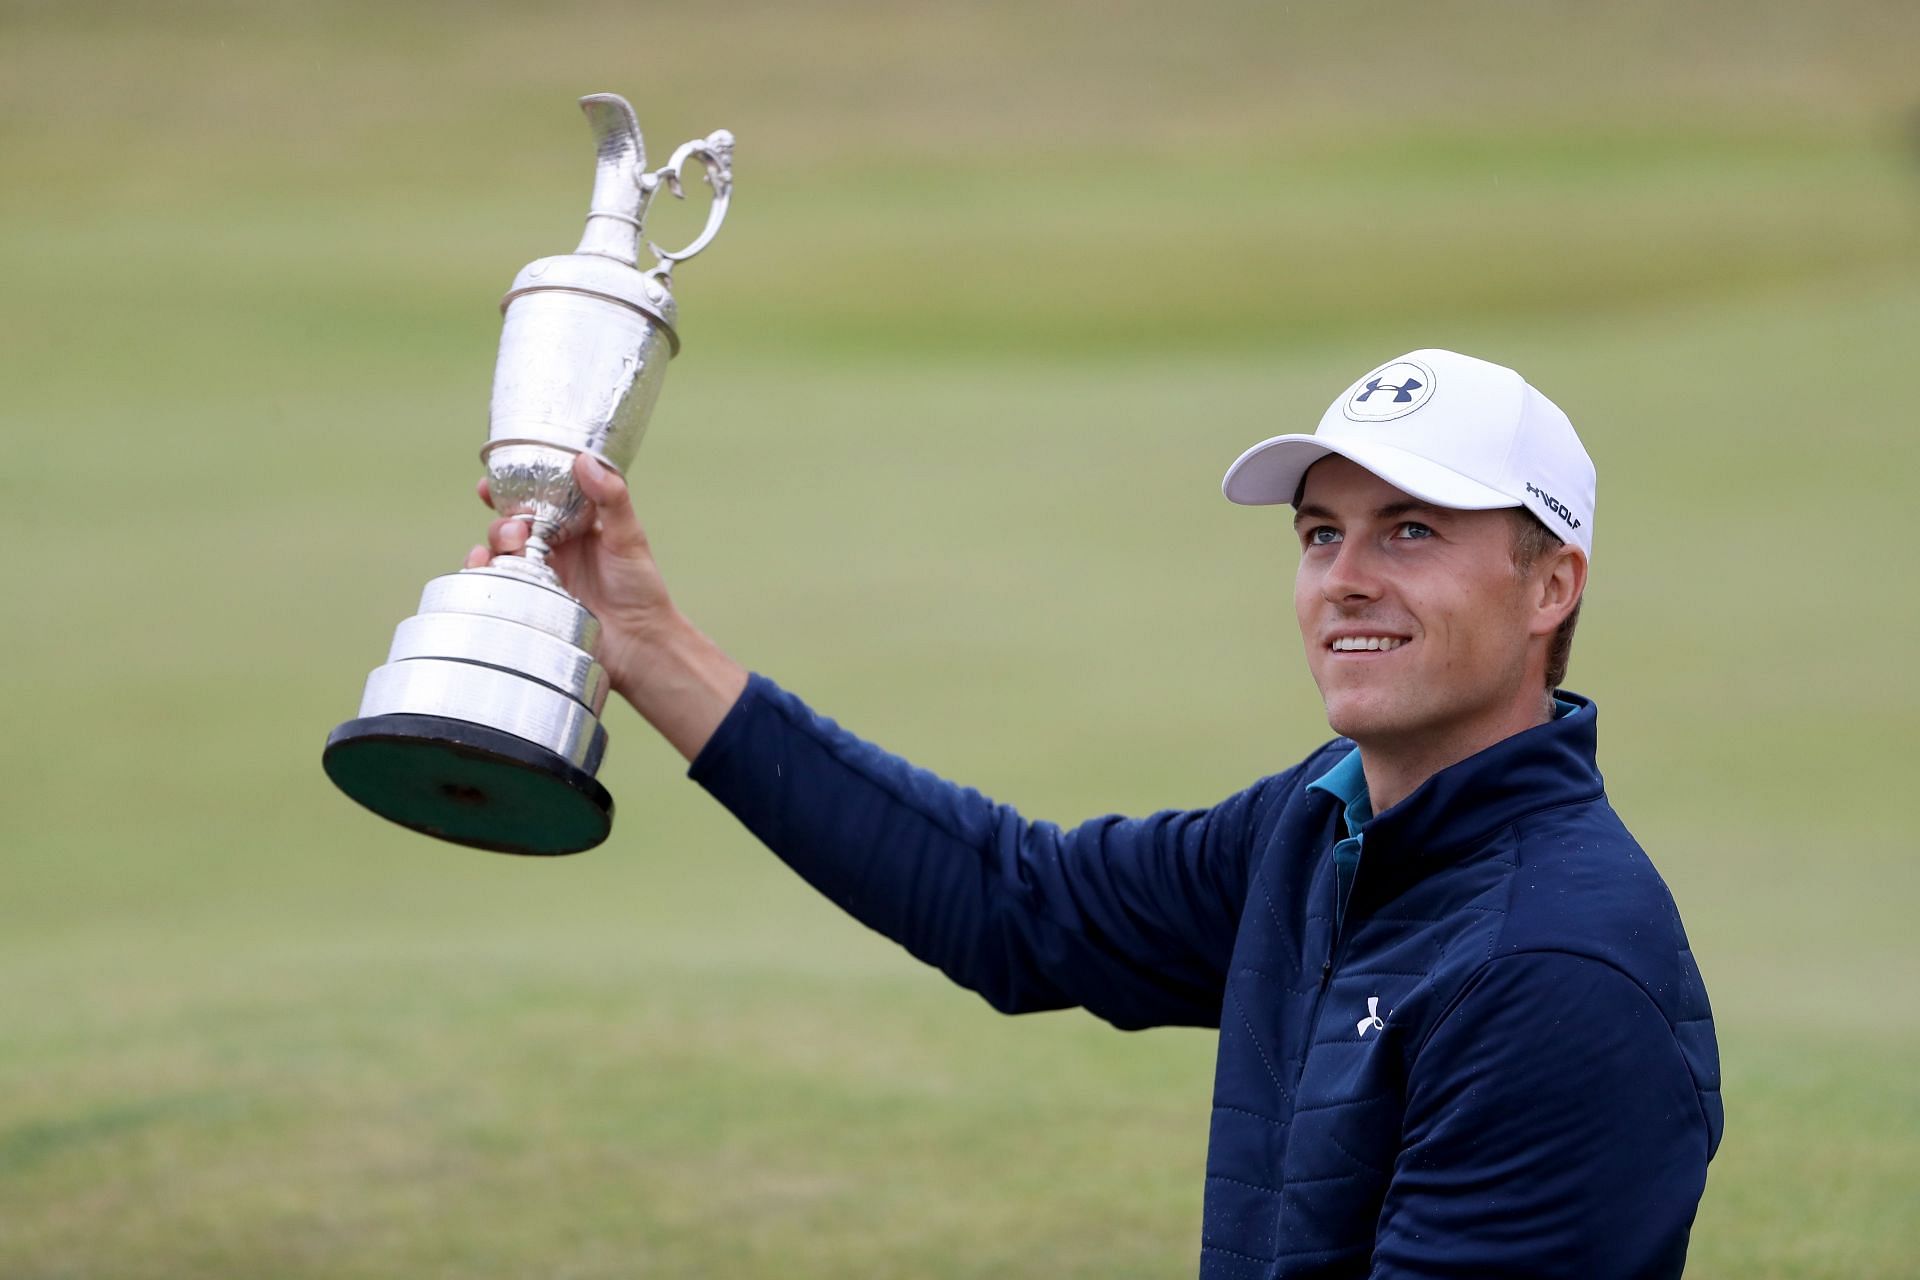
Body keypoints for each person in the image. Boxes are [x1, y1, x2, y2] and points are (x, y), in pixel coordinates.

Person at [467, 348, 1723, 1279]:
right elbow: (1023, 905)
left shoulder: (1551, 970)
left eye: (1410, 531)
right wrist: (644, 642)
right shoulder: (1321, 830)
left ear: (1550, 581)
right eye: (1321, 532)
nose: (1346, 577)